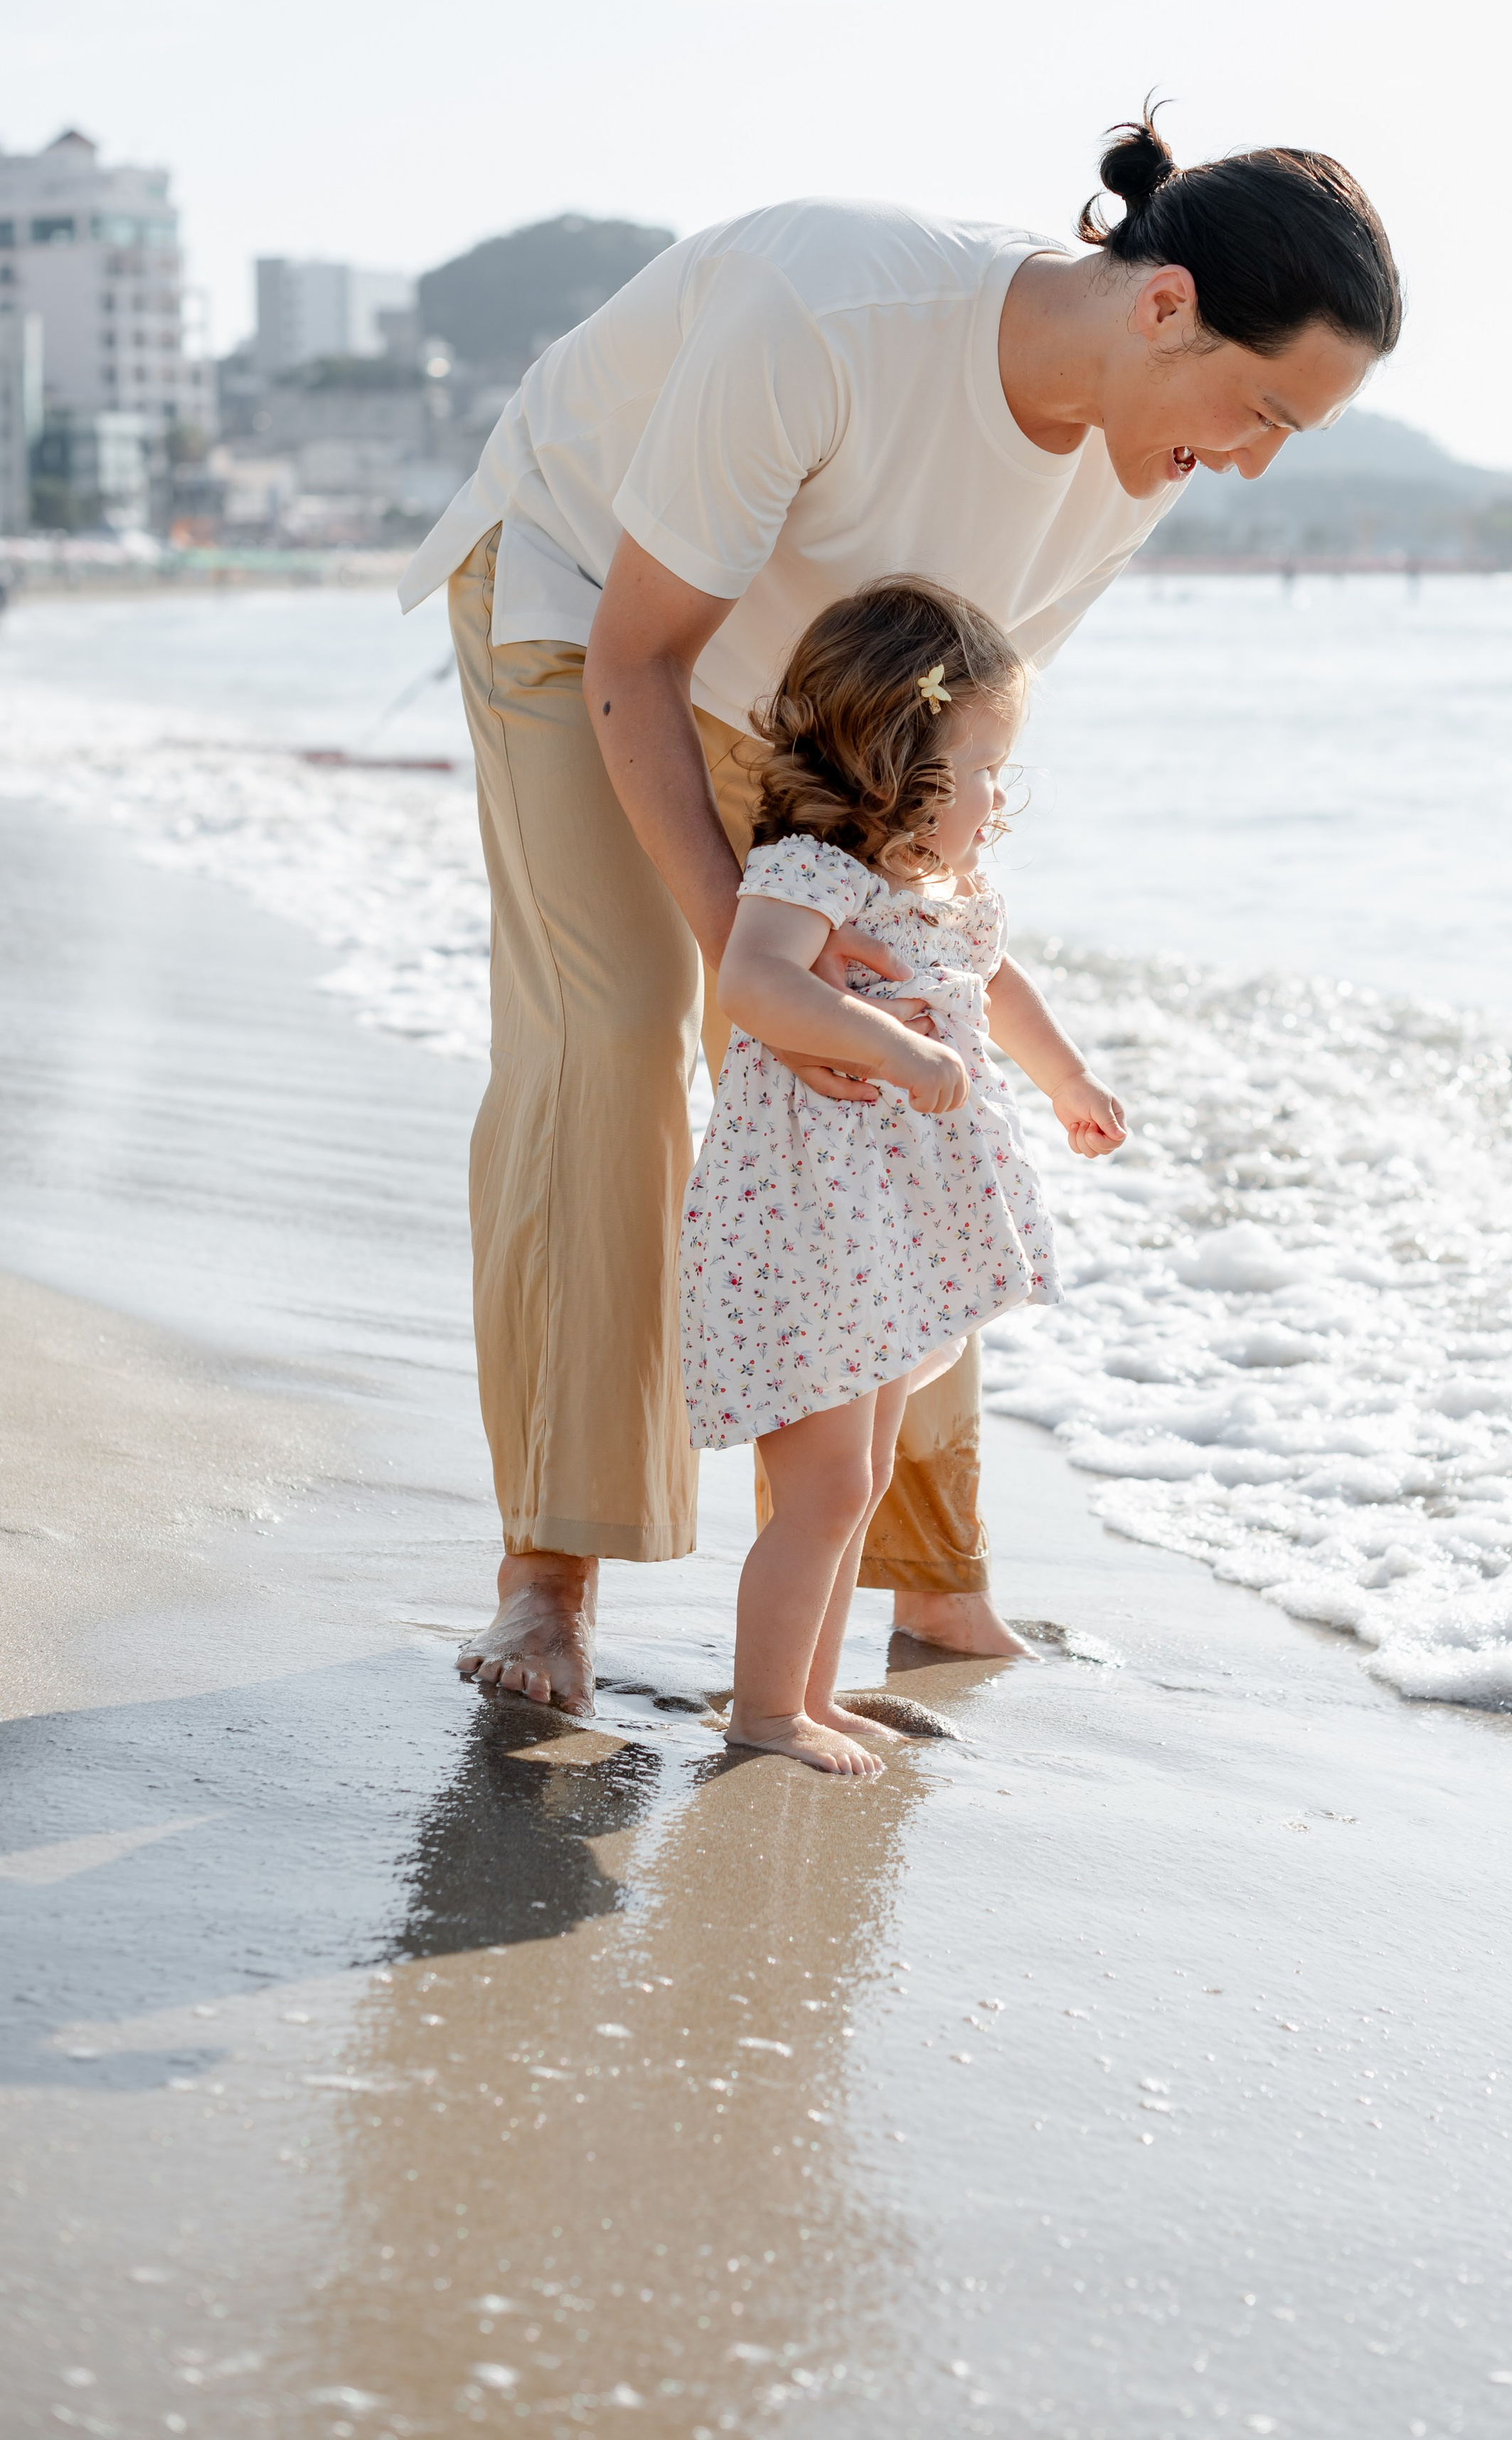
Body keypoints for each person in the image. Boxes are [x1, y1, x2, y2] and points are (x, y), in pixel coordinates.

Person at [395, 104, 1402, 1720]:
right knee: (615, 1044)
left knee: (892, 1047)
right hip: (593, 611)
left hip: (814, 699)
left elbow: (941, 775)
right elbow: (641, 662)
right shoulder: (831, 312)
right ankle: (550, 1576)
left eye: (1299, 434)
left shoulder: (1146, 458)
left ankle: (927, 1572)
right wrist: (750, 953)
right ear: (1163, 307)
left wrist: (908, 999)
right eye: (1263, 407)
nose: (1258, 457)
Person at [686, 577, 1124, 1775]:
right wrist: (893, 1043)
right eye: (987, 768)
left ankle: (809, 1695)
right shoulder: (812, 873)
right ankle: (766, 1713)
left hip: (881, 1233)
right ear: (901, 760)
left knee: (858, 1477)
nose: (1001, 798)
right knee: (825, 1484)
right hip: (810, 1225)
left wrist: (1068, 1082)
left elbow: (998, 986)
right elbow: (752, 986)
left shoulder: (940, 890)